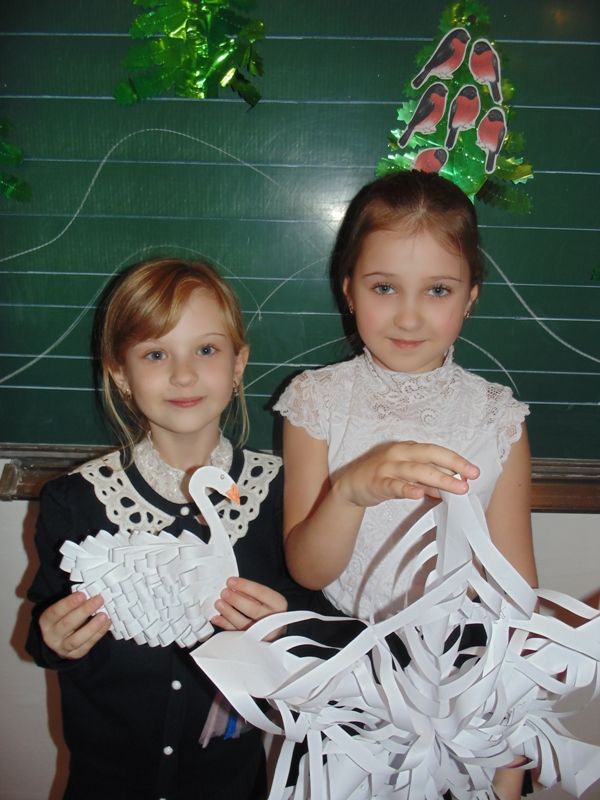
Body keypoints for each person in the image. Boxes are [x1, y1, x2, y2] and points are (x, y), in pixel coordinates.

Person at [274, 171, 538, 799]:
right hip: (348, 674)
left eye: (438, 290)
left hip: (465, 675)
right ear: (349, 290)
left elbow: (516, 590)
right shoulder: (317, 401)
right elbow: (307, 569)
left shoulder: (496, 417)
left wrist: (509, 735)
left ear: (471, 297)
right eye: (384, 287)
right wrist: (348, 492)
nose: (409, 315)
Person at [26, 257, 313, 800]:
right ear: (121, 374)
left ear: (238, 364)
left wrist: (286, 628)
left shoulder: (282, 494)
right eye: (156, 354)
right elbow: (44, 624)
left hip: (228, 785)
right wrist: (51, 638)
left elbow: (319, 628)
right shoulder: (75, 501)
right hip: (106, 784)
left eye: (206, 350)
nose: (183, 375)